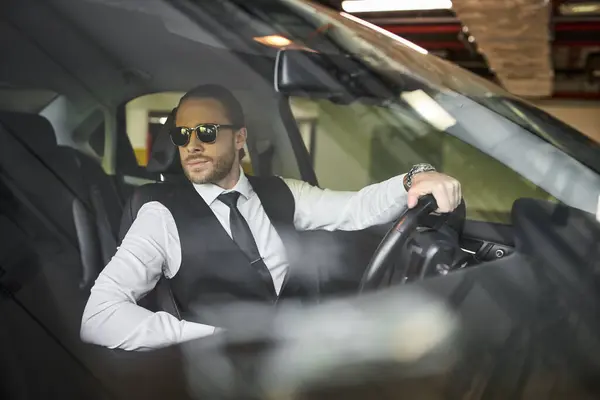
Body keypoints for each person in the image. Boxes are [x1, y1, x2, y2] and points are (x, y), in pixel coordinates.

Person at [80, 84, 462, 351]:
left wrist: (414, 178)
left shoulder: (282, 192)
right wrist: (214, 339)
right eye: (182, 135)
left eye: (207, 132)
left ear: (240, 137)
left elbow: (357, 209)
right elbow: (100, 316)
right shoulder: (159, 213)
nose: (193, 144)